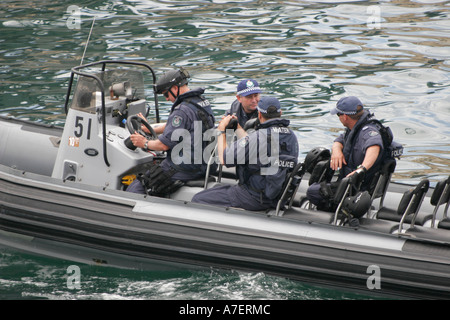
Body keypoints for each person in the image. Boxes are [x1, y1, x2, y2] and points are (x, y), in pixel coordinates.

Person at [192, 96, 299, 211]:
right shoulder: (292, 136)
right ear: (280, 113)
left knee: (199, 199)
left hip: (253, 197)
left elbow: (225, 159)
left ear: (259, 114)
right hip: (276, 198)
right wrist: (237, 127)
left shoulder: (259, 136)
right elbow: (253, 145)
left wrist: (221, 131)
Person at [127, 67, 216, 195]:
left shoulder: (181, 110)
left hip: (186, 167)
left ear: (175, 88)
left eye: (166, 94)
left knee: (139, 186)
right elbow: (181, 124)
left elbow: (163, 145)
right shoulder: (201, 102)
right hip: (205, 163)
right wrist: (151, 129)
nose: (167, 99)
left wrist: (144, 143)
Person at [306, 96, 385, 211]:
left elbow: (374, 146)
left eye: (338, 115)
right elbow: (340, 140)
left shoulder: (368, 131)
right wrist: (336, 150)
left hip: (356, 186)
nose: (338, 118)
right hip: (348, 182)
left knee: (312, 191)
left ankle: (336, 210)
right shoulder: (354, 128)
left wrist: (361, 169)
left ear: (345, 117)